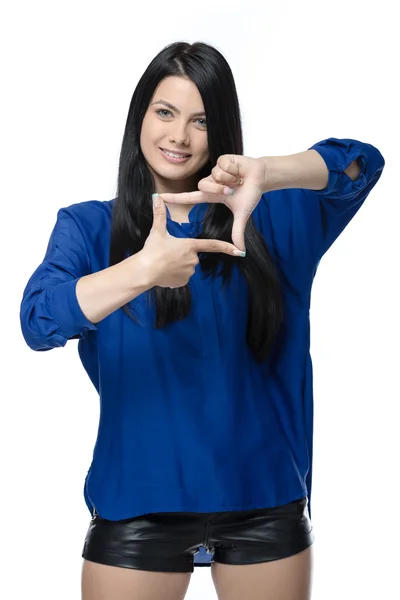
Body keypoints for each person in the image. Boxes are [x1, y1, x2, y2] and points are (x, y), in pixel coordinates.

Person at [20, 40, 385, 600]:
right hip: (136, 504)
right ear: (139, 117)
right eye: (165, 113)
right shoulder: (91, 228)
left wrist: (267, 171)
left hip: (263, 501)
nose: (179, 136)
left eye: (201, 121)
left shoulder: (273, 217)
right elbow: (39, 322)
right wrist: (142, 269)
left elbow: (361, 162)